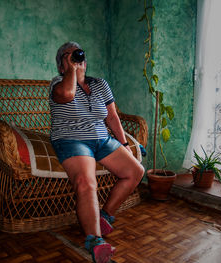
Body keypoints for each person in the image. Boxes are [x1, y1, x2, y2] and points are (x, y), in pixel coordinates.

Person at [49, 41, 144, 263]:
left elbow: (111, 117)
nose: (75, 58)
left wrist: (125, 144)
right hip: (72, 139)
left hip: (102, 139)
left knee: (136, 171)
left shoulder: (100, 84)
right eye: (68, 55)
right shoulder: (57, 84)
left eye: (78, 54)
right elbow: (69, 94)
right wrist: (72, 70)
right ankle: (94, 240)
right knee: (85, 182)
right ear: (61, 66)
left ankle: (105, 215)